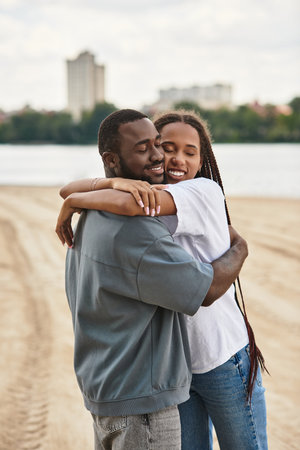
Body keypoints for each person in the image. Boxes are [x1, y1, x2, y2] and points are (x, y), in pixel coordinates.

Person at [57, 109, 248, 450]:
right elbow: (205, 289)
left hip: (109, 390)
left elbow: (91, 194)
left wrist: (79, 197)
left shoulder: (93, 214)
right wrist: (240, 249)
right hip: (142, 399)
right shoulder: (134, 227)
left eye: (159, 145)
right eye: (147, 148)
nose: (162, 156)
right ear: (112, 159)